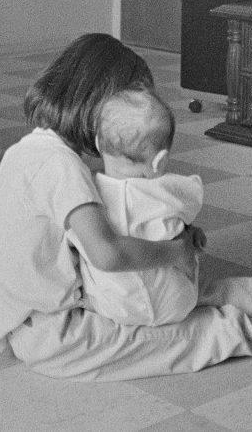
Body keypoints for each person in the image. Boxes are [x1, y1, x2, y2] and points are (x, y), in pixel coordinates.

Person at [0, 33, 252, 382]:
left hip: (47, 318)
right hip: (55, 335)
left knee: (195, 293)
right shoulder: (60, 166)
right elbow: (107, 254)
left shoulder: (33, 149)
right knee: (189, 334)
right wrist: (177, 250)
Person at [68, 86, 204, 326]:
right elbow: (192, 205)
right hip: (176, 303)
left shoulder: (86, 192)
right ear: (159, 161)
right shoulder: (170, 189)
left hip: (113, 308)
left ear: (98, 143)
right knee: (183, 233)